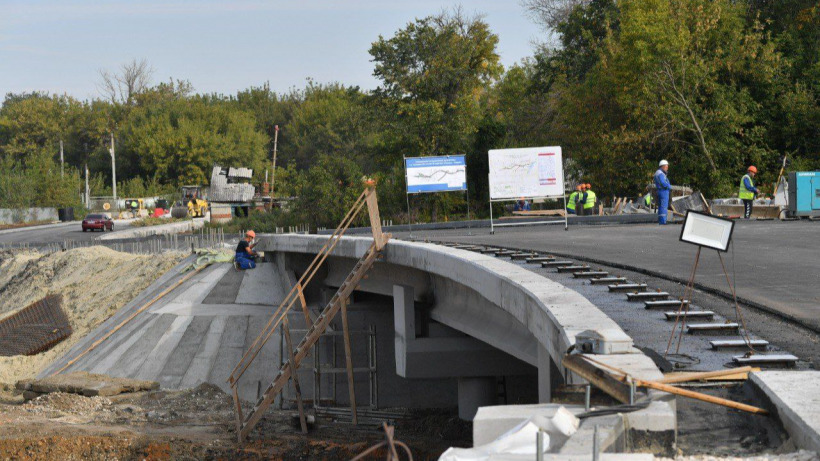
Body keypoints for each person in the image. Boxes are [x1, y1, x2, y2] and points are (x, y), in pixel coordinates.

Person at [654, 160, 671, 225]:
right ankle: (663, 221)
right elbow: (663, 183)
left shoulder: (658, 172)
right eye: (666, 166)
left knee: (661, 206)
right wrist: (668, 186)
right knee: (664, 206)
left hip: (660, 191)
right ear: (663, 166)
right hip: (663, 191)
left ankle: (661, 221)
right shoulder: (660, 173)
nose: (667, 167)